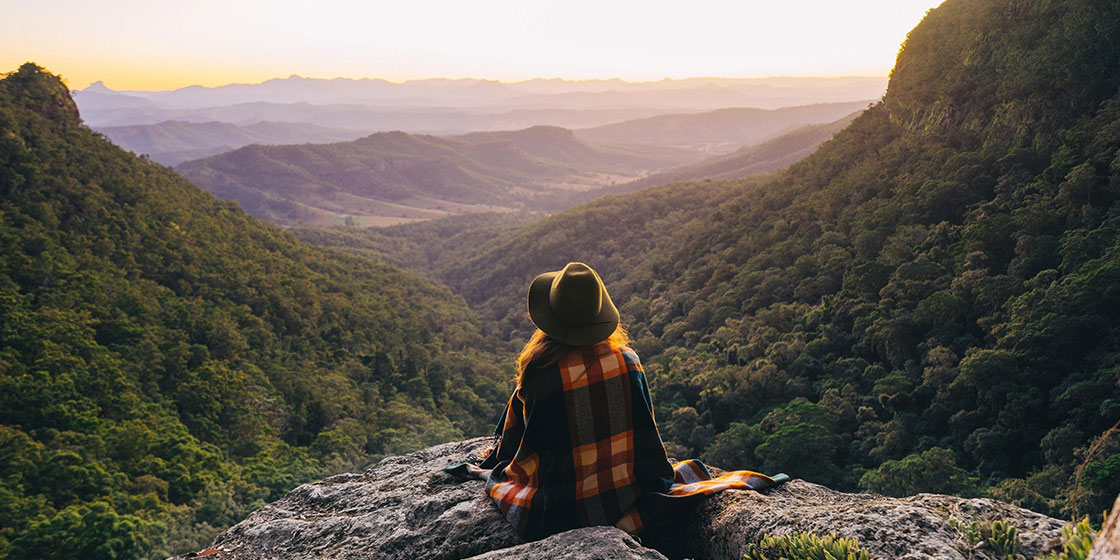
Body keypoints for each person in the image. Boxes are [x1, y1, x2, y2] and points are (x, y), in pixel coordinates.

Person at [447, 262, 786, 547]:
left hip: (555, 509)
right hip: (627, 497)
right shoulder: (629, 360)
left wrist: (493, 464)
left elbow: (516, 447)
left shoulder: (541, 373)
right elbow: (647, 444)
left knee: (501, 477)